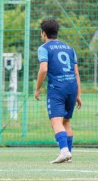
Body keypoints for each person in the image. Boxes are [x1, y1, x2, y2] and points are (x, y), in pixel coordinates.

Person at [34, 19, 82, 164]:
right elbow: (76, 72)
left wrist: (37, 89)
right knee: (66, 121)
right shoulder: (69, 48)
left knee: (56, 121)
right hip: (72, 86)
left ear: (43, 33)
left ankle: (64, 151)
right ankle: (69, 154)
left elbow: (43, 69)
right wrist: (78, 94)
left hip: (57, 88)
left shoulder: (44, 48)